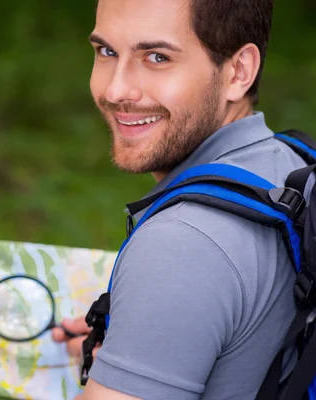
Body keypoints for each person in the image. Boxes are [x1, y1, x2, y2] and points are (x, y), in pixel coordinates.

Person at [52, 0, 304, 398]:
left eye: (156, 57)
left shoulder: (182, 243)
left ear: (238, 72)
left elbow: (198, 267)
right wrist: (138, 347)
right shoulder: (291, 168)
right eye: (106, 52)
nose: (116, 90)